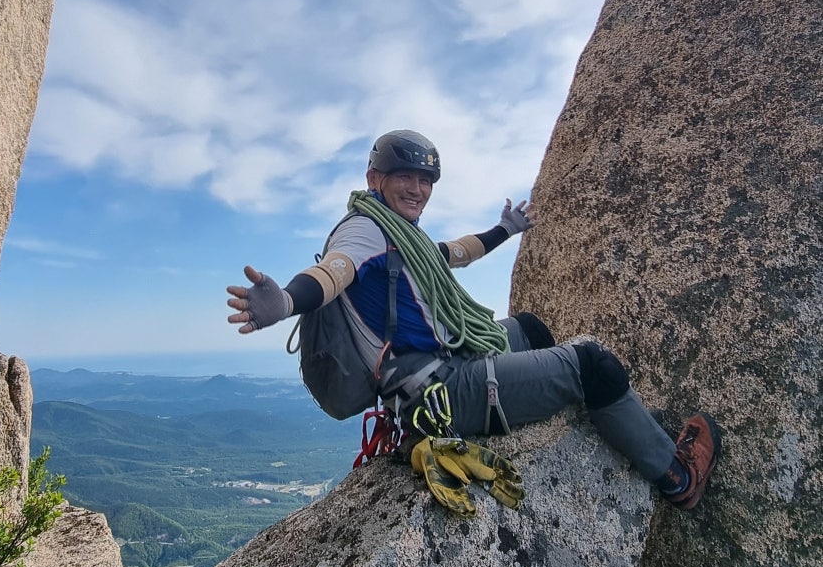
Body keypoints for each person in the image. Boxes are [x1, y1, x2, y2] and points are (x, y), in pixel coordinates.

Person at [226, 129, 720, 509]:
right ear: (375, 180)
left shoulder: (402, 236)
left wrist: (504, 230)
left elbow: (452, 253)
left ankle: (620, 421)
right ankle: (676, 479)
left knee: (530, 329)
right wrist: (287, 302)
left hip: (443, 360)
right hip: (437, 392)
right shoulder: (363, 231)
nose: (417, 188)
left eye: (425, 180)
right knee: (592, 366)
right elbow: (333, 272)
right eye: (405, 177)